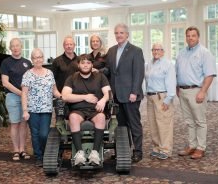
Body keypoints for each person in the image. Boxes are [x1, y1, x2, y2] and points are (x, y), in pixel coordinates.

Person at [105, 23, 145, 163]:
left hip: (130, 95)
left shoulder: (136, 51)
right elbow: (109, 71)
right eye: (116, 33)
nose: (119, 35)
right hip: (116, 95)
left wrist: (134, 92)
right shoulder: (111, 51)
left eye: (121, 33)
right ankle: (123, 150)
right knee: (121, 125)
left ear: (127, 34)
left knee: (134, 124)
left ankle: (138, 151)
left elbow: (138, 73)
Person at [62, 54, 111, 166]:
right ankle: (79, 154)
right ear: (78, 64)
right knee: (73, 117)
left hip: (95, 109)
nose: (85, 65)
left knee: (101, 117)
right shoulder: (72, 78)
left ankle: (95, 153)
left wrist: (103, 100)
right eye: (83, 63)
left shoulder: (100, 77)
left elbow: (108, 93)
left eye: (88, 63)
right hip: (78, 109)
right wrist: (84, 97)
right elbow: (65, 96)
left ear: (92, 65)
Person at [176, 26, 216, 159]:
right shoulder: (181, 53)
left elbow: (209, 75)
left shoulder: (205, 53)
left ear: (198, 37)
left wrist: (203, 91)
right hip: (182, 91)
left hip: (196, 91)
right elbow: (178, 72)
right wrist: (177, 87)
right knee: (189, 121)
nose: (190, 38)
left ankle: (200, 147)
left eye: (193, 35)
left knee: (200, 121)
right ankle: (192, 145)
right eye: (188, 35)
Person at [21, 48, 61, 167]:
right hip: (32, 110)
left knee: (44, 134)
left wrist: (62, 96)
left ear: (43, 58)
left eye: (40, 57)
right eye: (35, 57)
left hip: (46, 109)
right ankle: (39, 156)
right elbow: (24, 93)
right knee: (35, 134)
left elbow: (54, 90)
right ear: (32, 60)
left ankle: (46, 153)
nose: (38, 59)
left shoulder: (49, 73)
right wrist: (25, 110)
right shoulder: (27, 74)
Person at [0, 38, 32, 161]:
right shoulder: (6, 62)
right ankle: (15, 150)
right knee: (15, 124)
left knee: (24, 124)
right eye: (13, 46)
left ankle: (23, 149)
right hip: (12, 97)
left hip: (26, 97)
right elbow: (5, 83)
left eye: (17, 45)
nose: (15, 48)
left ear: (21, 46)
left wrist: (26, 94)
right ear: (10, 48)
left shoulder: (27, 62)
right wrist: (21, 93)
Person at [145, 43, 176, 160]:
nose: (156, 51)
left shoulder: (167, 64)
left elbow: (172, 83)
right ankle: (157, 147)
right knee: (153, 124)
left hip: (162, 97)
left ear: (163, 51)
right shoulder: (149, 64)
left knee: (164, 124)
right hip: (150, 98)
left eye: (158, 49)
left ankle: (165, 149)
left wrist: (168, 100)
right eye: (154, 49)